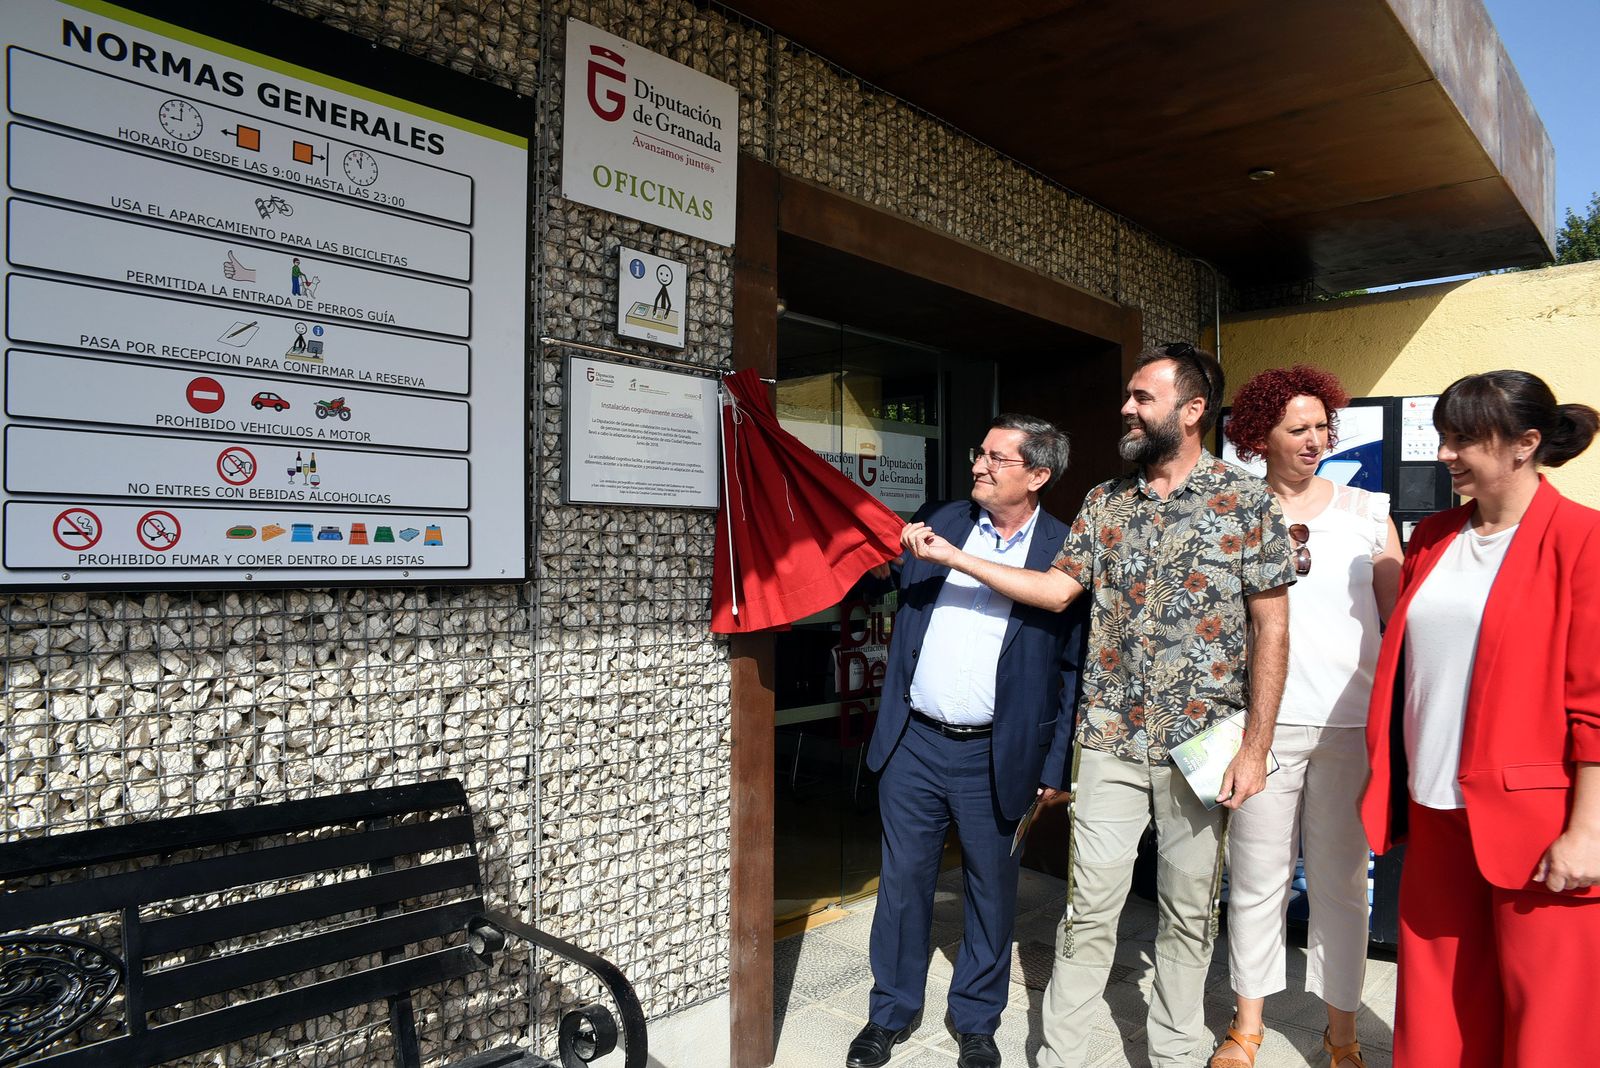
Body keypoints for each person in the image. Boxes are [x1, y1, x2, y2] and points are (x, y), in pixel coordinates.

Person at [902, 343, 1294, 1068]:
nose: (1126, 407)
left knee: (1186, 911)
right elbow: (1055, 592)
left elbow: (1272, 626)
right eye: (1129, 396)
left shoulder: (1247, 503)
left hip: (1201, 743)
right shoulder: (1105, 501)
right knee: (1089, 910)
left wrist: (1255, 747)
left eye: (1143, 397)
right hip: (1110, 740)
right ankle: (1061, 1056)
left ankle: (1176, 1050)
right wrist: (955, 558)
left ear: (1192, 409)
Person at [1359, 370, 1600, 1067]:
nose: (1446, 455)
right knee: (1436, 1009)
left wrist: (1588, 830)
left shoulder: (1582, 539)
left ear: (1526, 444)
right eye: (1444, 438)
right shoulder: (1433, 536)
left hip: (1540, 820)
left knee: (1551, 1019)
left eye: (1465, 440)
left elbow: (1594, 702)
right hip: (1435, 808)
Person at [850, 414, 1088, 1068]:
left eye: (996, 458)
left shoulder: (1065, 550)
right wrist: (880, 546)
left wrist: (1054, 763)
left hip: (998, 753)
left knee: (991, 889)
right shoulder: (940, 519)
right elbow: (877, 581)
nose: (979, 465)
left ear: (1036, 475)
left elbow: (1073, 670)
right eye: (978, 452)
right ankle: (889, 1012)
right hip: (915, 746)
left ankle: (977, 1023)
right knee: (902, 885)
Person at [1210, 367, 1402, 1068]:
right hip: (1263, 728)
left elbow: (1399, 615)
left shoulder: (1368, 510)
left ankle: (1341, 1034)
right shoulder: (1232, 510)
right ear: (1260, 436)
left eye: (1323, 426)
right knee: (1256, 881)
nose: (1316, 439)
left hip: (1352, 726)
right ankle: (1247, 1028)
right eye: (1299, 428)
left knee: (1341, 888)